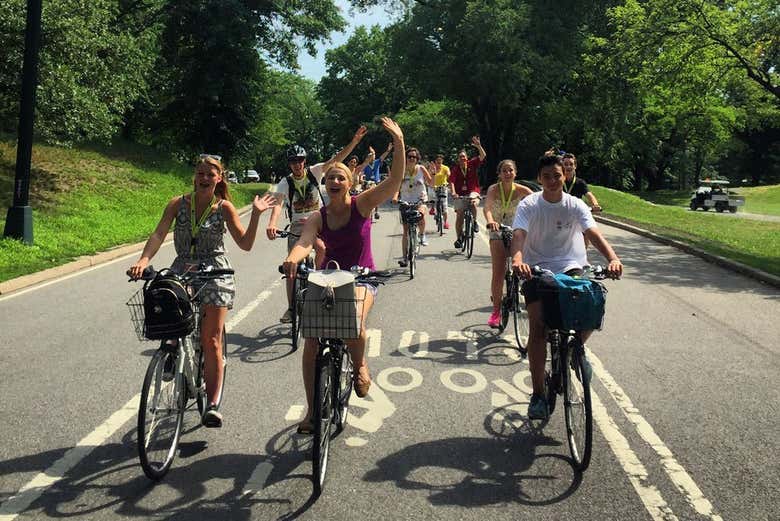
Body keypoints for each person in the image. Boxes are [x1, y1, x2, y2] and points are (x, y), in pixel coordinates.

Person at [127, 154, 277, 428]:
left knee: (211, 340)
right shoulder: (177, 204)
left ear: (219, 178)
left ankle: (212, 403)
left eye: (211, 174)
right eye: (200, 173)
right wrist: (143, 260)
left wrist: (255, 215)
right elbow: (159, 233)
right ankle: (172, 350)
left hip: (215, 271)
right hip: (183, 267)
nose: (205, 178)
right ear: (194, 176)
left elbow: (245, 243)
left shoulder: (224, 208)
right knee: (165, 301)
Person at [282, 117, 406, 434]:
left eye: (341, 177)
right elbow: (304, 242)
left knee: (353, 320)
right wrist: (292, 259)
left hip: (362, 278)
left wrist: (400, 143)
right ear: (326, 185)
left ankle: (360, 364)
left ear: (349, 184)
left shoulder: (362, 204)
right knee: (311, 341)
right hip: (327, 279)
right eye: (331, 177)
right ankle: (312, 412)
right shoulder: (317, 216)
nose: (335, 180)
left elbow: (393, 182)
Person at [511, 154, 622, 420]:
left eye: (557, 176)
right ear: (539, 179)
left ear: (566, 177)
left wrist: (613, 259)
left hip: (571, 266)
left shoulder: (575, 205)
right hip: (536, 267)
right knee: (538, 329)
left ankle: (573, 350)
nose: (552, 181)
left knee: (591, 305)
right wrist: (517, 258)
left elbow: (593, 234)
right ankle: (538, 394)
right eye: (546, 176)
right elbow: (519, 235)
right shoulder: (529, 204)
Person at [266, 127, 368, 323]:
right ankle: (291, 307)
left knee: (321, 248)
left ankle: (321, 288)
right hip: (297, 226)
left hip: (319, 221)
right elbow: (278, 204)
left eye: (300, 160)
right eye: (293, 161)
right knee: (291, 266)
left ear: (305, 161)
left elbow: (336, 159)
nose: (297, 164)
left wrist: (354, 142)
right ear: (289, 164)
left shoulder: (314, 172)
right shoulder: (285, 182)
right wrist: (272, 223)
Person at [484, 160, 534, 327]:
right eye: (504, 171)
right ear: (499, 174)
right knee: (499, 271)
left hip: (517, 231)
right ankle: (496, 311)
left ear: (515, 173)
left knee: (524, 266)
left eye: (510, 170)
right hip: (498, 230)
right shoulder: (493, 189)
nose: (507, 173)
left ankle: (528, 299)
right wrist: (491, 221)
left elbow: (538, 202)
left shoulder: (522, 190)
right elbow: (488, 208)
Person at [393, 147, 433, 266]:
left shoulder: (421, 169)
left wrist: (434, 173)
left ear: (417, 158)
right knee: (405, 230)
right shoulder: (402, 170)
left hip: (420, 199)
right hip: (405, 200)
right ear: (406, 158)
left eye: (414, 157)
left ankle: (422, 234)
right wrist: (395, 197)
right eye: (409, 156)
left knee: (421, 216)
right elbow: (397, 186)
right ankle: (405, 258)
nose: (411, 158)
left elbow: (431, 183)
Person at [450, 136, 487, 248]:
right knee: (460, 215)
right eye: (460, 157)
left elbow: (483, 156)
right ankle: (459, 238)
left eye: (464, 157)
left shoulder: (472, 164)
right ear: (458, 159)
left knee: (473, 202)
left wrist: (478, 146)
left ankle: (474, 222)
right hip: (460, 194)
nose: (462, 159)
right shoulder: (456, 169)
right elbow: (451, 182)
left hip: (472, 190)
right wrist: (453, 193)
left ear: (467, 158)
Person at [363, 142, 394, 219]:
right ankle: (367, 210)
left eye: (374, 155)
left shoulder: (377, 162)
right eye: (371, 156)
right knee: (367, 197)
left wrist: (388, 150)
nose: (373, 157)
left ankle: (376, 211)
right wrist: (362, 179)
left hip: (376, 182)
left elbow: (383, 157)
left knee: (377, 197)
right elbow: (361, 173)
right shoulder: (365, 165)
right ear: (368, 157)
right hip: (368, 183)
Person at [429, 153, 451, 230]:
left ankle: (445, 222)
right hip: (434, 186)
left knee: (444, 205)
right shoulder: (432, 168)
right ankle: (432, 208)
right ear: (435, 161)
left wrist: (448, 175)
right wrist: (432, 172)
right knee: (432, 196)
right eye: (437, 161)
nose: (439, 163)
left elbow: (448, 174)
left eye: (440, 161)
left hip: (443, 187)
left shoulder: (445, 168)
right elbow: (429, 177)